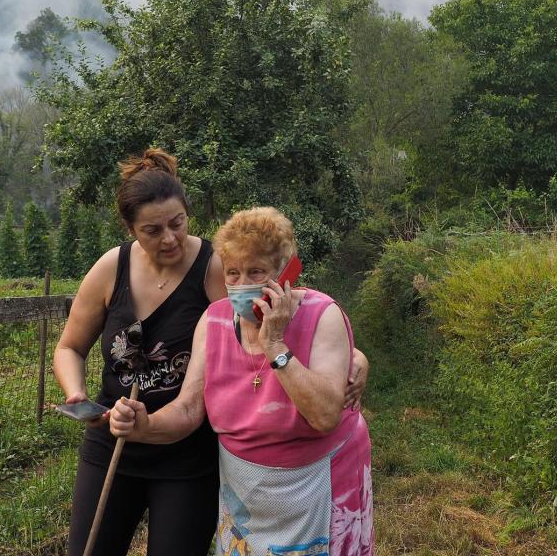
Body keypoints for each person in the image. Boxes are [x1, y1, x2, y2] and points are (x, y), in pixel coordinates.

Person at [53, 150, 369, 556]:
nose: (168, 238)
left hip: (188, 451)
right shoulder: (110, 268)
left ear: (188, 214)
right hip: (117, 436)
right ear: (129, 228)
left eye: (177, 224)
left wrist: (352, 353)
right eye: (152, 230)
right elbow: (68, 346)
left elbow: (274, 311)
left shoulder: (218, 266)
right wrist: (76, 392)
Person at [110, 206, 373, 556]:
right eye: (232, 274)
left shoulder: (321, 314)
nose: (242, 285)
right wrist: (147, 424)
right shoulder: (214, 320)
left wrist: (275, 345)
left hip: (319, 483)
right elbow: (189, 408)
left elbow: (325, 416)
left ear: (286, 270)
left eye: (256, 272)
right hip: (246, 492)